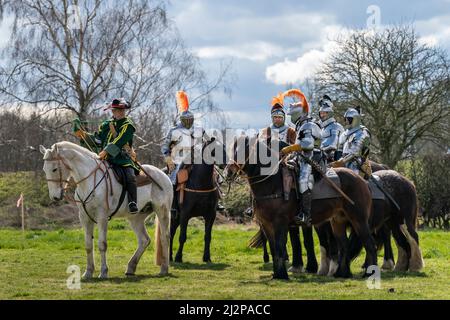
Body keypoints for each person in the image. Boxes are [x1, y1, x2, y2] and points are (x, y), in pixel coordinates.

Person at [72, 98, 140, 213]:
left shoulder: (128, 125)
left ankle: (132, 202)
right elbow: (98, 140)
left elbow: (119, 141)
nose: (121, 112)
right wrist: (82, 135)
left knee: (130, 176)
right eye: (117, 110)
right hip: (105, 158)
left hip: (122, 159)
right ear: (113, 111)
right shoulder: (107, 124)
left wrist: (106, 151)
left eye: (122, 110)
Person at [280, 89, 322, 226]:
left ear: (299, 113)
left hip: (311, 157)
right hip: (301, 157)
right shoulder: (301, 125)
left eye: (292, 114)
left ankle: (306, 215)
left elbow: (308, 144)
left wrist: (290, 148)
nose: (291, 117)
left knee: (304, 180)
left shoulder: (308, 125)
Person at [330, 107, 371, 178]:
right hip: (344, 160)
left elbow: (355, 152)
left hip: (357, 163)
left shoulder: (362, 132)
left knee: (353, 176)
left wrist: (341, 162)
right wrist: (337, 161)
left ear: (355, 120)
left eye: (348, 119)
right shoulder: (345, 134)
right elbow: (340, 150)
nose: (346, 121)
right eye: (345, 119)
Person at [318, 95, 344, 163]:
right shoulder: (322, 128)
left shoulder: (335, 126)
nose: (322, 115)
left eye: (324, 113)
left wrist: (319, 150)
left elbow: (333, 146)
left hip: (335, 159)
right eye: (321, 113)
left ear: (329, 113)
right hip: (323, 157)